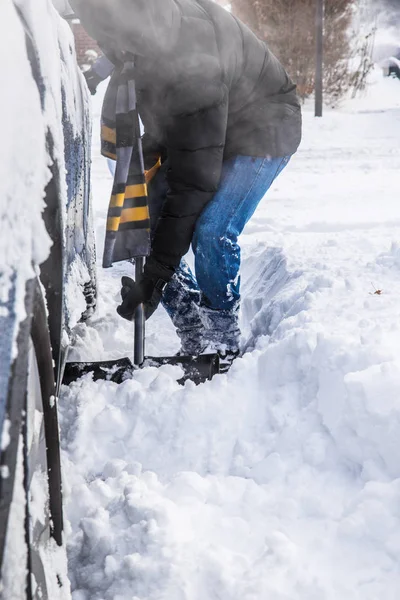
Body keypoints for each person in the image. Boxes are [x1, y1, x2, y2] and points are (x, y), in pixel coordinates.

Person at [70, 0, 302, 370]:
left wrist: (155, 279)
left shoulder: (194, 60)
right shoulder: (140, 37)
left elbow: (193, 183)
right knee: (146, 220)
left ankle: (222, 342)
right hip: (207, 128)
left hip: (263, 129)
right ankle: (195, 330)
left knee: (212, 231)